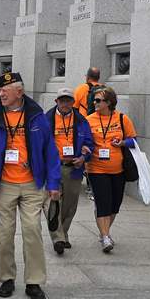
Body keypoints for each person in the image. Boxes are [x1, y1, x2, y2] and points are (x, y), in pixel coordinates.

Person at [0, 71, 60, 299]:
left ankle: (34, 281)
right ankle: (6, 278)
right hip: (4, 183)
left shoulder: (36, 115)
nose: (0, 93)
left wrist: (53, 183)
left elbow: (50, 150)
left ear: (19, 92)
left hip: (32, 182)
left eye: (5, 90)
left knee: (32, 230)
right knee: (3, 234)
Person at [85, 85, 137, 253]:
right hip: (96, 169)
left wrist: (122, 143)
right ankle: (106, 237)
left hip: (118, 170)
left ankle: (104, 231)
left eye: (99, 100)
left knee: (115, 205)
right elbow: (83, 141)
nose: (95, 103)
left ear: (109, 102)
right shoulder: (89, 120)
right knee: (103, 203)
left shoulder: (122, 119)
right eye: (95, 100)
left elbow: (133, 140)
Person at [46, 88, 95, 253]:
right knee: (54, 202)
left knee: (70, 205)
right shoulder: (47, 119)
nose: (65, 104)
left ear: (73, 103)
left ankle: (63, 233)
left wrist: (83, 158)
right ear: (56, 102)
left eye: (68, 101)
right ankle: (58, 238)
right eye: (62, 100)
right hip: (53, 167)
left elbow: (89, 142)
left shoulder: (81, 120)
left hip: (74, 168)